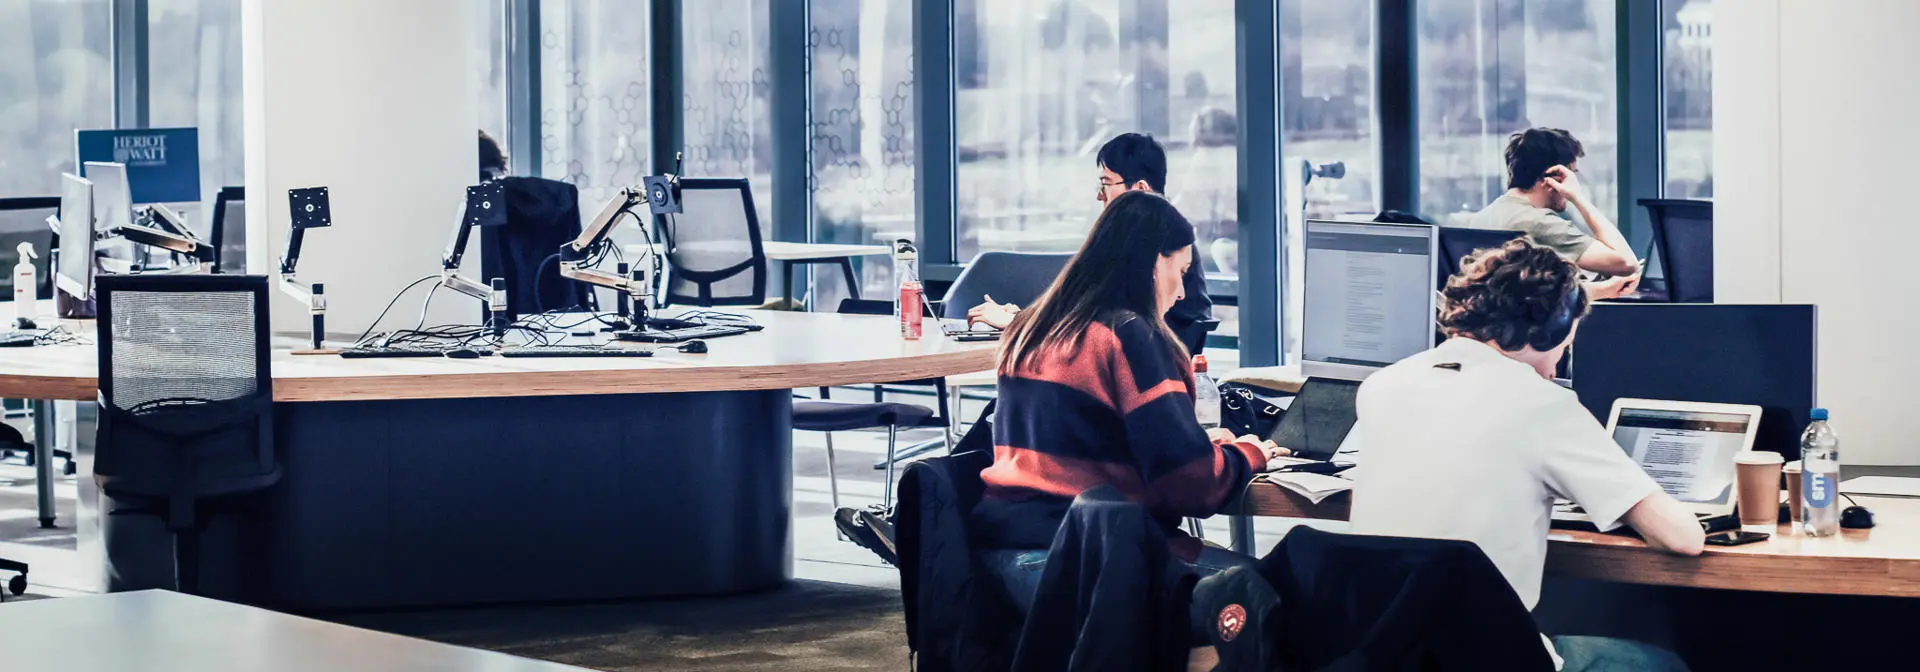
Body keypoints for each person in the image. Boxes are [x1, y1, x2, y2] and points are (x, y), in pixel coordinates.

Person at [1345, 239, 1704, 671]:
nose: (1559, 363)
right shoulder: (1539, 402)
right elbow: (1682, 537)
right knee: (1658, 664)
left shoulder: (1381, 386)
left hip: (1379, 655)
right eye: (1565, 345)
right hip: (1487, 659)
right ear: (1547, 332)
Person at [971, 190, 1286, 623]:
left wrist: (1194, 443)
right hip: (1091, 563)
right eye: (1182, 271)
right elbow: (1190, 486)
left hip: (1004, 555)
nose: (1182, 293)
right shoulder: (1127, 335)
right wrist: (1246, 454)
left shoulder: (1032, 327)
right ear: (1155, 263)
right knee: (1283, 594)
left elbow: (1079, 444)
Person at [968, 133, 1214, 352]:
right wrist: (1024, 318)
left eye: (1106, 184)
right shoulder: (1148, 237)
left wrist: (1017, 323)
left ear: (1140, 189)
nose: (1099, 195)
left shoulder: (1155, 245)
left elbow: (1098, 331)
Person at [1467, 128, 1641, 300]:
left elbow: (1522, 292)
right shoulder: (1538, 223)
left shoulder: (1483, 217)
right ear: (1556, 177)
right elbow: (1627, 264)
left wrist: (1602, 288)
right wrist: (1578, 197)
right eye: (1572, 175)